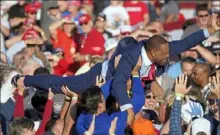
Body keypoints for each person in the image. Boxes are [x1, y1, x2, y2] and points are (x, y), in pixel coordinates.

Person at [13, 14, 220, 125]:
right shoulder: (131, 56)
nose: (169, 57)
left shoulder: (162, 48)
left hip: (125, 85)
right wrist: (127, 108)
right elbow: (119, 84)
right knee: (62, 85)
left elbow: (184, 44)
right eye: (165, 55)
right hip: (101, 78)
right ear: (153, 52)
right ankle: (25, 80)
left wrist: (209, 30)